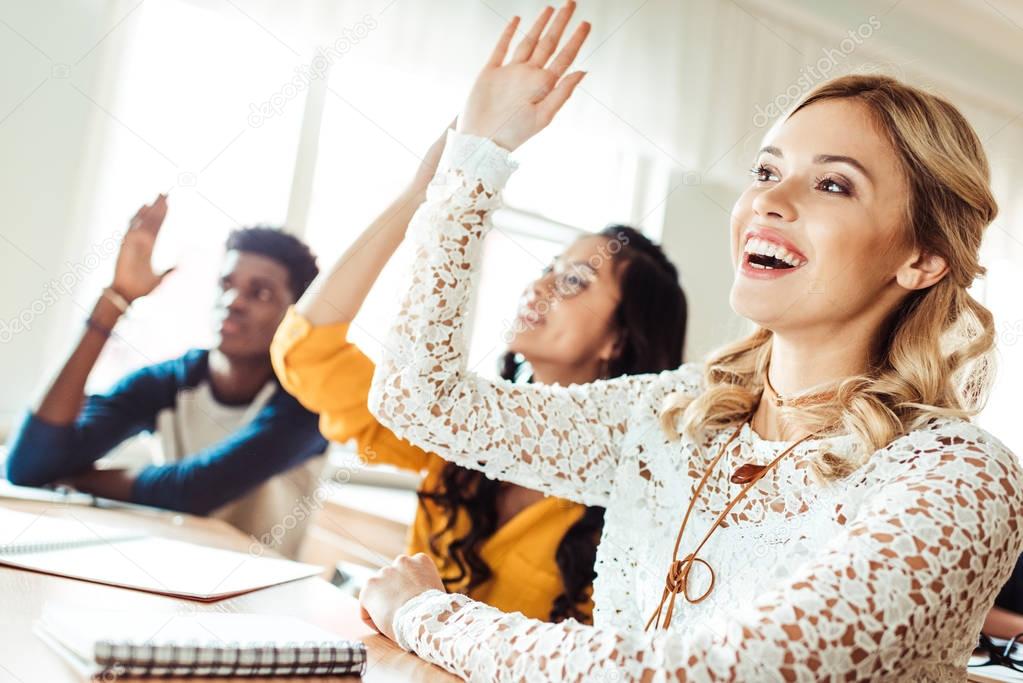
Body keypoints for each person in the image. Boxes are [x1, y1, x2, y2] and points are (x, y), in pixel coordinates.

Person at [357, 3, 1023, 680]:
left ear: (919, 259)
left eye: (831, 183)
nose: (770, 198)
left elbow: (724, 671)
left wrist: (428, 613)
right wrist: (477, 153)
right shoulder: (679, 414)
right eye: (765, 171)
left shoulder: (958, 476)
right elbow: (419, 398)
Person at [271, 122, 687, 622]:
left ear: (618, 339)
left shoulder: (641, 494)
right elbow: (308, 352)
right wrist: (418, 198)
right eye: (549, 268)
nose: (539, 287)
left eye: (575, 281)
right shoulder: (455, 427)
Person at [4, 195, 328, 558]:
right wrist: (117, 299)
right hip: (172, 573)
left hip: (267, 596)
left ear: (295, 314)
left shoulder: (308, 402)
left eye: (260, 292)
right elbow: (28, 465)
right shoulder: (170, 381)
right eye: (227, 283)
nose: (234, 300)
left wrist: (76, 479)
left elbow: (194, 490)